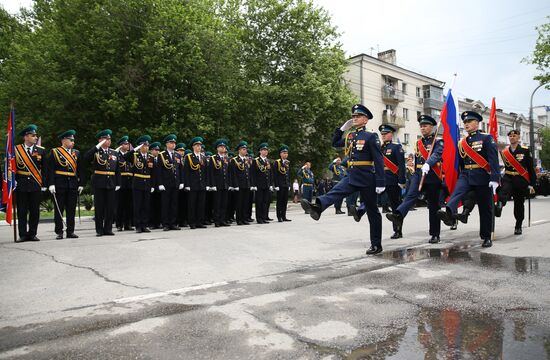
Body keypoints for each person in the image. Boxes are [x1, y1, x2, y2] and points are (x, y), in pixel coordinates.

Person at [301, 104, 385, 255]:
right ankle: (317, 208)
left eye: (357, 116)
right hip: (352, 175)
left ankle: (376, 244)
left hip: (367, 177)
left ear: (365, 120)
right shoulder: (351, 136)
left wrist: (380, 182)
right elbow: (334, 143)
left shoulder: (371, 137)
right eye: (353, 116)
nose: (354, 118)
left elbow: (379, 160)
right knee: (335, 191)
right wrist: (341, 129)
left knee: (373, 212)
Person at [438, 111, 500, 248]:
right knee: (457, 192)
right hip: (466, 174)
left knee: (485, 209)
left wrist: (495, 178)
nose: (466, 124)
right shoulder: (462, 142)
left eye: (469, 122)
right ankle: (449, 211)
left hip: (483, 176)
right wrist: (460, 174)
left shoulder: (486, 138)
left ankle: (486, 237)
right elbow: (460, 162)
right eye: (465, 122)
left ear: (477, 123)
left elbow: (493, 160)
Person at [385, 115, 444, 243]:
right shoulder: (418, 143)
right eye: (421, 126)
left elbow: (437, 154)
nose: (423, 128)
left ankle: (435, 234)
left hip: (432, 175)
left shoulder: (438, 142)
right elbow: (417, 160)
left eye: (425, 126)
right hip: (418, 174)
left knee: (433, 206)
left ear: (432, 127)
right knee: (410, 196)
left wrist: (429, 163)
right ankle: (398, 215)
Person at [495, 129, 536, 235]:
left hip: (520, 179)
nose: (512, 137)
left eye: (514, 136)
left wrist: (532, 183)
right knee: (503, 191)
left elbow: (530, 168)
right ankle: (500, 205)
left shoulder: (525, 150)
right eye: (510, 136)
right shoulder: (504, 152)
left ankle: (518, 224)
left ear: (518, 137)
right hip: (508, 177)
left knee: (518, 203)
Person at [47, 129, 84, 239]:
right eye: (71, 140)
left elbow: (81, 170)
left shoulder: (76, 153)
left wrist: (81, 183)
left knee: (71, 209)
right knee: (59, 209)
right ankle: (59, 231)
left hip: (72, 183)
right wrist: (51, 184)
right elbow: (50, 169)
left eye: (73, 140)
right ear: (64, 140)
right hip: (59, 183)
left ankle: (70, 231)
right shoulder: (55, 152)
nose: (73, 142)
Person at [84, 129, 120, 237]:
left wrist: (118, 183)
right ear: (100, 140)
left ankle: (108, 229)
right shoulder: (95, 151)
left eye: (109, 139)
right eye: (105, 139)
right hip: (99, 182)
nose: (108, 141)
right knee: (99, 207)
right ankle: (99, 229)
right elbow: (86, 158)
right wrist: (97, 146)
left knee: (110, 207)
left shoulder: (113, 152)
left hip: (111, 182)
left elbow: (117, 170)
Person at [15, 124, 47, 242]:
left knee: (34, 211)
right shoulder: (16, 150)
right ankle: (23, 234)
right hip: (21, 184)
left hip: (35, 183)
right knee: (22, 211)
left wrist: (44, 184)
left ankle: (32, 233)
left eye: (35, 135)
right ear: (26, 137)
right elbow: (11, 168)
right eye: (33, 135)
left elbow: (45, 169)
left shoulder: (41, 150)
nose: (35, 137)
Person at [123, 135, 154, 233]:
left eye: (147, 146)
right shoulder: (135, 155)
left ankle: (144, 225)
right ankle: (138, 226)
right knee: (138, 205)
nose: (146, 148)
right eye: (144, 146)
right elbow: (125, 157)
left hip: (147, 183)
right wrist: (135, 149)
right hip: (137, 183)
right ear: (140, 146)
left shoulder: (150, 157)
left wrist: (152, 185)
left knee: (146, 205)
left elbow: (153, 172)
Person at [157, 134, 184, 231]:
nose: (173, 145)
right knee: (165, 204)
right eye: (171, 143)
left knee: (174, 204)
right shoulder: (162, 155)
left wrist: (181, 182)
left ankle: (173, 223)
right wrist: (160, 183)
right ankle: (165, 224)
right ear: (167, 144)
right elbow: (159, 170)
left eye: (174, 143)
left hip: (175, 183)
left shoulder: (177, 155)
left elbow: (180, 169)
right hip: (166, 183)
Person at [183, 137, 208, 229]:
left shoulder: (203, 157)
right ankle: (192, 222)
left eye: (200, 146)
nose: (199, 147)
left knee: (201, 204)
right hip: (193, 185)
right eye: (197, 145)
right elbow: (186, 172)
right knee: (192, 204)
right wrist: (187, 185)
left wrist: (206, 184)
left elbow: (206, 172)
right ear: (193, 147)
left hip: (202, 184)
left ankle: (199, 221)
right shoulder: (189, 157)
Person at [209, 139, 231, 227]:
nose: (223, 148)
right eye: (221, 147)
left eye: (224, 147)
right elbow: (211, 173)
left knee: (224, 203)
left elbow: (228, 172)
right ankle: (217, 221)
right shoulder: (213, 158)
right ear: (217, 148)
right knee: (217, 204)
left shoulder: (226, 158)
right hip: (217, 184)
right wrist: (212, 184)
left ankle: (222, 220)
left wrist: (229, 184)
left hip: (225, 184)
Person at [229, 141, 252, 225]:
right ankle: (239, 219)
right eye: (243, 149)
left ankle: (244, 218)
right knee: (239, 203)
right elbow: (233, 174)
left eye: (246, 149)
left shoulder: (247, 160)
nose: (245, 151)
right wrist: (235, 185)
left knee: (245, 203)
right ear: (239, 150)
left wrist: (250, 183)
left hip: (246, 184)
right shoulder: (235, 160)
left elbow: (248, 173)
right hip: (239, 185)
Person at [250, 143, 273, 224]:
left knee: (265, 202)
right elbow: (252, 174)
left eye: (266, 150)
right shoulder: (256, 161)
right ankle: (259, 218)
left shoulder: (267, 160)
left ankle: (264, 217)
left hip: (266, 184)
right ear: (260, 151)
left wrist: (270, 184)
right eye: (264, 150)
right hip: (259, 185)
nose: (265, 151)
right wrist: (253, 185)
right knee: (259, 202)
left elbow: (269, 173)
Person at [115, 135, 134, 231]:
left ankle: (128, 224)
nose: (127, 145)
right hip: (121, 180)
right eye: (125, 144)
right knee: (120, 204)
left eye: (127, 144)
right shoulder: (116, 155)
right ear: (121, 145)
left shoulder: (130, 155)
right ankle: (119, 224)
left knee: (129, 205)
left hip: (130, 181)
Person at [273, 144, 292, 222]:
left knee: (285, 201)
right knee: (280, 201)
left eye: (286, 153)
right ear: (280, 154)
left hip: (286, 184)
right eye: (284, 153)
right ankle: (279, 216)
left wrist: (289, 183)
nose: (285, 154)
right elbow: (275, 174)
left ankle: (284, 216)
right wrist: (276, 185)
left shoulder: (287, 162)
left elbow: (288, 174)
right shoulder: (277, 162)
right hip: (280, 185)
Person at [148, 142, 162, 229]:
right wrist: (150, 185)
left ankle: (158, 222)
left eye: (158, 150)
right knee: (151, 205)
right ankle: (152, 223)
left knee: (159, 205)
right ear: (151, 150)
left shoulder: (160, 159)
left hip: (159, 185)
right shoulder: (149, 159)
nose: (157, 151)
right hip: (151, 185)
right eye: (155, 150)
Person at [175, 143, 188, 227]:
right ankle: (178, 220)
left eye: (183, 151)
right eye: (180, 150)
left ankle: (184, 220)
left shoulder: (186, 159)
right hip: (178, 183)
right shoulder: (176, 159)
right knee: (178, 203)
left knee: (185, 204)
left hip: (186, 184)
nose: (182, 152)